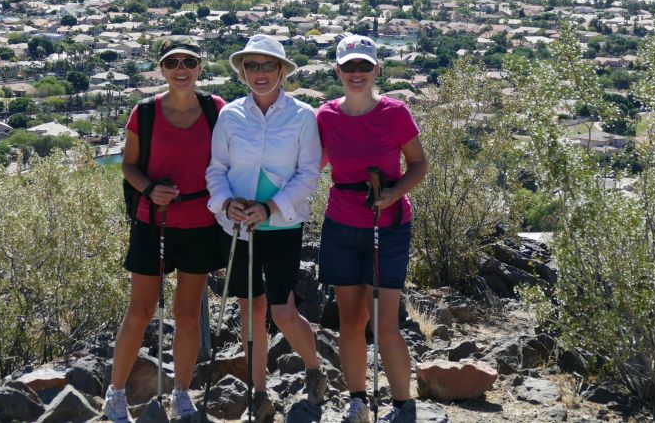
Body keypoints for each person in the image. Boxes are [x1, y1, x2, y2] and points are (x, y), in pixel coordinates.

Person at [206, 34, 328, 422]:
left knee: (283, 310)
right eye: (253, 66)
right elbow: (216, 170)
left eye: (268, 66)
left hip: (283, 226)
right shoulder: (230, 116)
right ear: (243, 71)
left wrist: (270, 208)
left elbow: (309, 173)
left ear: (282, 71)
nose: (260, 73)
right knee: (250, 311)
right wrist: (226, 203)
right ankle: (258, 394)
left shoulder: (302, 116)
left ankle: (314, 369)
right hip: (239, 228)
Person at [104, 36, 226, 423]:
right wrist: (150, 190)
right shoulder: (144, 113)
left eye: (189, 62)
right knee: (139, 311)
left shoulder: (216, 110)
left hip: (200, 222)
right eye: (173, 63)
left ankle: (181, 393)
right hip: (153, 221)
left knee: (188, 314)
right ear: (162, 69)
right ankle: (116, 393)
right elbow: (129, 165)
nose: (181, 69)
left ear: (200, 68)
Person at [316, 35, 427, 423]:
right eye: (349, 67)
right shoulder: (325, 116)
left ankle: (403, 408)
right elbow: (311, 164)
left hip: (389, 227)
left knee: (385, 322)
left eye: (364, 67)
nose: (357, 74)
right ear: (338, 71)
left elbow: (418, 164)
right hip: (342, 225)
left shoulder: (395, 113)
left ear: (377, 70)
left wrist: (395, 193)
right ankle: (357, 400)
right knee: (350, 319)